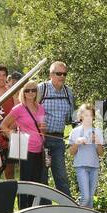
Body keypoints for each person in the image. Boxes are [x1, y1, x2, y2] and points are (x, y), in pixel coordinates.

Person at [0, 80, 46, 196]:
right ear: (23, 92)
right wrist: (14, 137)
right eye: (27, 90)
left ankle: (34, 209)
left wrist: (44, 129)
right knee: (26, 182)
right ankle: (23, 208)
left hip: (40, 149)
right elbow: (3, 125)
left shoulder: (40, 108)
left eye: (33, 90)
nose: (31, 93)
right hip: (25, 148)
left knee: (36, 182)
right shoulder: (19, 108)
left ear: (37, 92)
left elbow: (41, 128)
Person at [37, 60, 76, 197]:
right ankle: (42, 210)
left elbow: (72, 117)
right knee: (42, 177)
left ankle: (68, 209)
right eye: (58, 73)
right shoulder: (42, 88)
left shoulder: (68, 92)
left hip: (59, 139)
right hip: (41, 138)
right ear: (51, 74)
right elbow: (31, 111)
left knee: (61, 176)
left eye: (64, 74)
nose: (62, 77)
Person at [69, 103, 105, 206]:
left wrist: (98, 142)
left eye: (90, 115)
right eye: (85, 115)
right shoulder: (75, 132)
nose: (88, 118)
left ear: (93, 117)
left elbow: (101, 153)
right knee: (86, 197)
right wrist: (77, 142)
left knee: (90, 199)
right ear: (81, 117)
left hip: (94, 167)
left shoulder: (97, 131)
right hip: (81, 166)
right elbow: (71, 152)